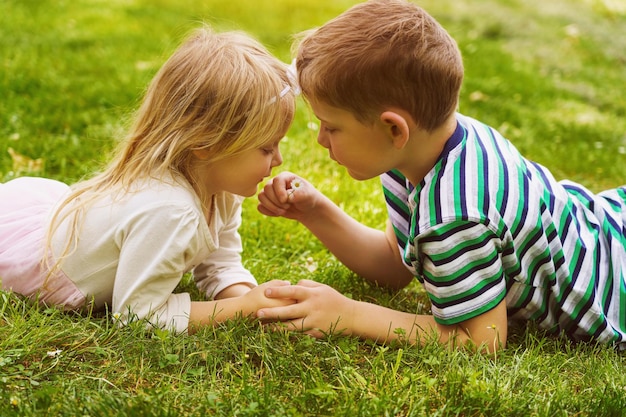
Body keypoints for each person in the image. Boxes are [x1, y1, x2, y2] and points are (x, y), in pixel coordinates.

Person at [256, 0, 626, 352]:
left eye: (330, 127)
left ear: (394, 129)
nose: (320, 140)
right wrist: (315, 211)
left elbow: (482, 339)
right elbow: (395, 263)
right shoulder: (424, 151)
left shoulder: (454, 212)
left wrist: (350, 314)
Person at [0, 27, 297, 334]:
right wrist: (238, 309)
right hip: (33, 260)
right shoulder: (169, 210)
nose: (278, 160)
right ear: (208, 145)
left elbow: (220, 265)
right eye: (266, 148)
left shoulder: (220, 189)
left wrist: (257, 303)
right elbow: (138, 316)